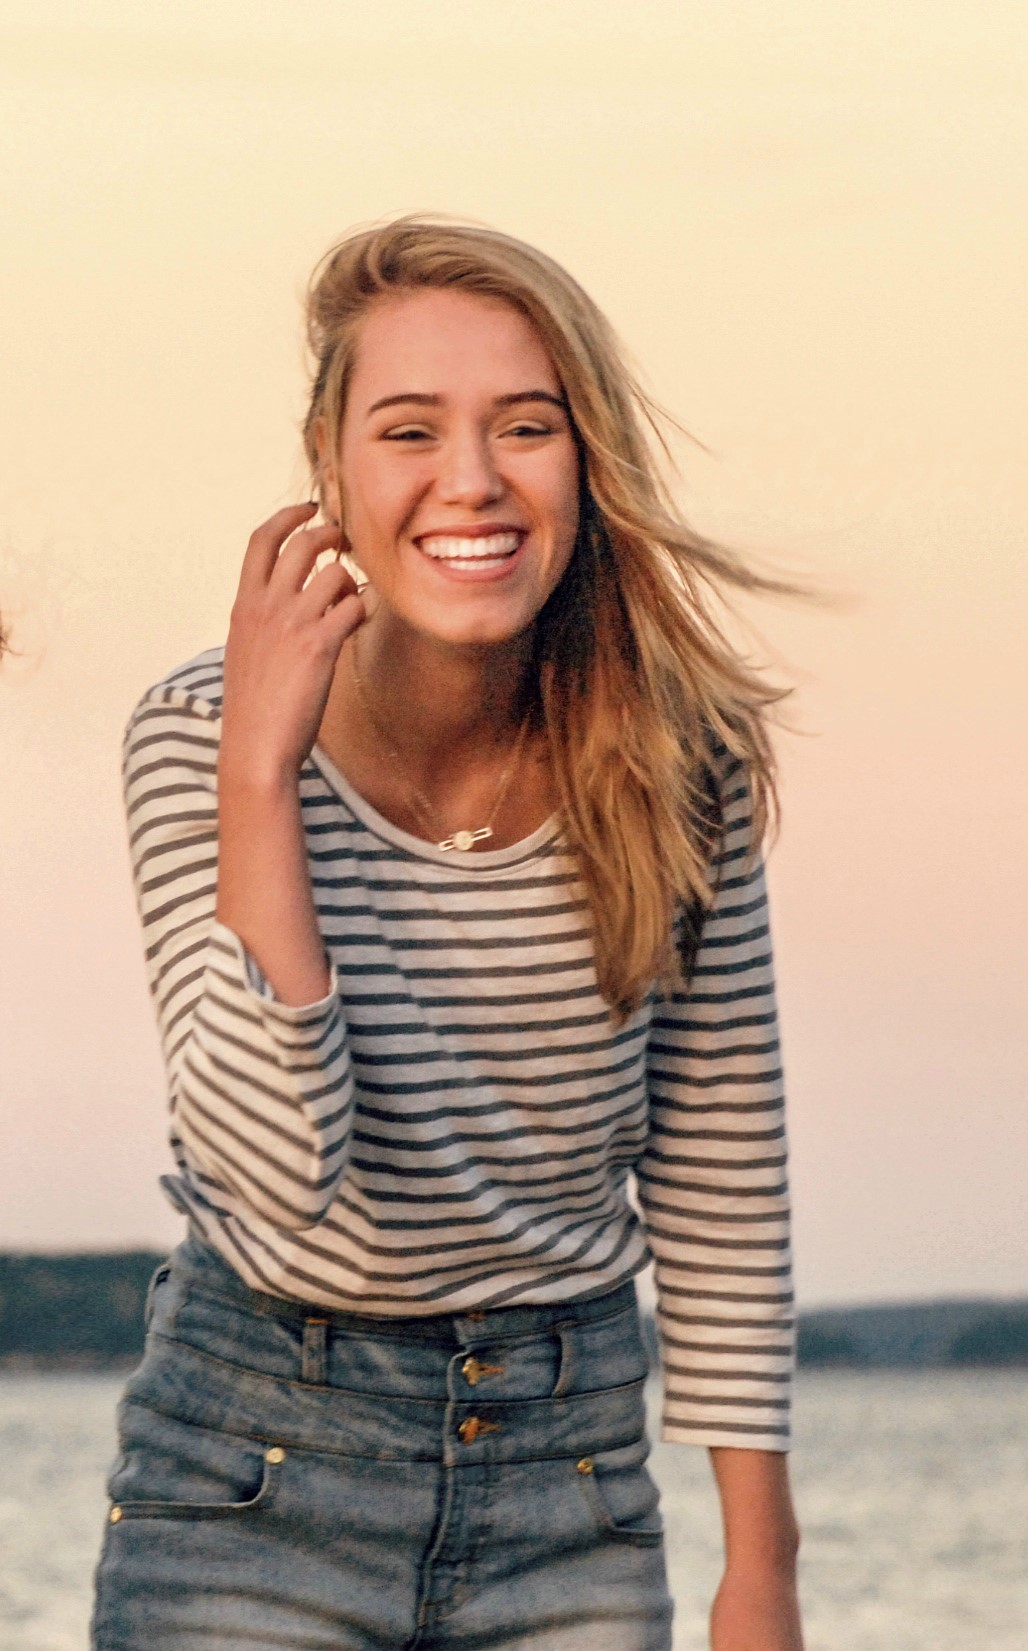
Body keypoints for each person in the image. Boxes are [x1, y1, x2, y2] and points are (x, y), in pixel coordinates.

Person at [93, 217, 803, 1651]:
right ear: (330, 468)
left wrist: (762, 1571)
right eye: (409, 430)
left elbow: (719, 1167)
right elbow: (279, 1175)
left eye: (525, 426)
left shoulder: (678, 759)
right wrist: (260, 779)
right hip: (253, 1475)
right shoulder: (198, 738)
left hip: (570, 1487)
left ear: (586, 461)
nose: (471, 478)